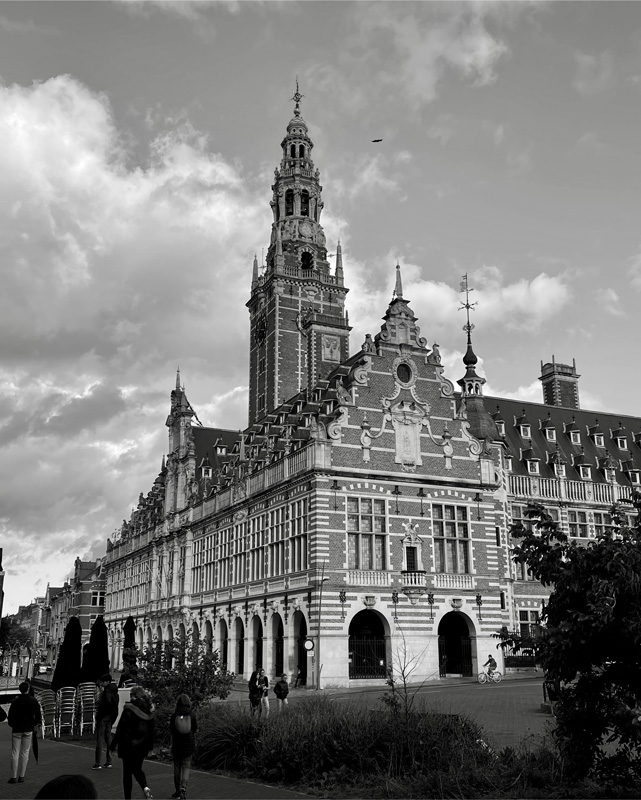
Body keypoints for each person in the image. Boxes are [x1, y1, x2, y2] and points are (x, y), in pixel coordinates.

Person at [110, 685, 155, 799]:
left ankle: (128, 798)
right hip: (142, 746)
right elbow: (151, 731)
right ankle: (145, 787)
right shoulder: (149, 711)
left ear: (135, 696)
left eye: (131, 695)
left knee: (127, 773)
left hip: (128, 745)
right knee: (137, 768)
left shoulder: (129, 709)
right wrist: (150, 747)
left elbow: (120, 728)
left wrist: (113, 745)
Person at [7, 680, 42, 784]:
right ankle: (22, 776)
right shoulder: (33, 701)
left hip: (17, 729)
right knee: (25, 752)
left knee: (15, 752)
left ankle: (13, 776)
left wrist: (12, 724)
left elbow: (10, 715)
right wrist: (33, 724)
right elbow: (38, 716)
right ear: (28, 689)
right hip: (28, 728)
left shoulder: (15, 701)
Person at [170, 694, 198, 800]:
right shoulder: (192, 715)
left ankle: (177, 791)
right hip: (189, 745)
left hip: (177, 745)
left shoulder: (174, 715)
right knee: (186, 767)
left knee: (177, 767)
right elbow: (195, 728)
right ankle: (183, 788)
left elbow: (171, 729)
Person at [93, 673, 119, 769]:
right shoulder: (115, 691)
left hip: (104, 716)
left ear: (107, 681)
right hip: (111, 717)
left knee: (100, 738)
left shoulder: (106, 692)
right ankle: (109, 760)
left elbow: (106, 703)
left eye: (103, 682)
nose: (102, 684)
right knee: (108, 737)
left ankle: (97, 762)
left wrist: (101, 714)